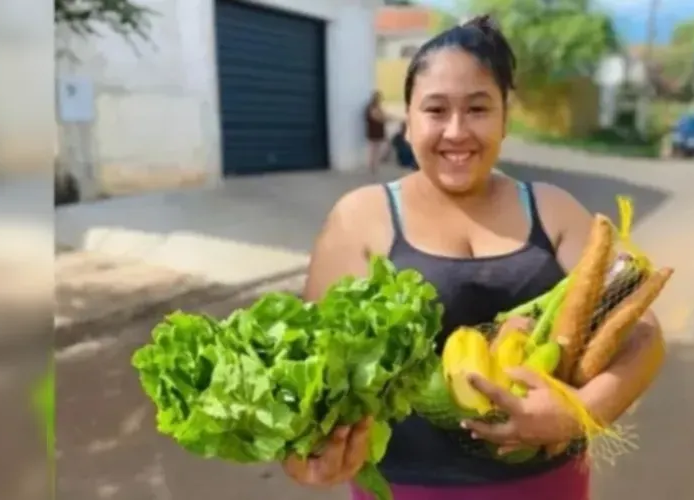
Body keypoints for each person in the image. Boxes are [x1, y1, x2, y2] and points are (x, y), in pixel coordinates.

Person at [285, 15, 665, 500]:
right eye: (435, 110)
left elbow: (643, 332)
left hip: (546, 484)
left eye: (478, 109)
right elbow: (307, 370)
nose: (456, 131)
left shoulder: (552, 210)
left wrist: (578, 412)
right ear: (408, 118)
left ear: (506, 116)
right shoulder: (361, 217)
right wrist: (305, 453)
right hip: (407, 488)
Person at [366, 90, 392, 174]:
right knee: (376, 149)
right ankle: (374, 166)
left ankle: (374, 166)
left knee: (375, 149)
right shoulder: (373, 107)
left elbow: (382, 115)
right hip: (375, 132)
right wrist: (386, 119)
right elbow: (378, 117)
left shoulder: (374, 107)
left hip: (376, 131)